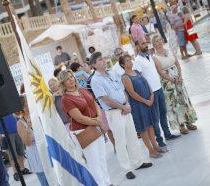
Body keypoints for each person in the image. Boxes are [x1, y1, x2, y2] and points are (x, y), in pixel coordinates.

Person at [90, 52, 152, 180]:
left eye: (103, 58)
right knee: (121, 141)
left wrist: (127, 104)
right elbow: (106, 100)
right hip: (114, 112)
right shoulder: (95, 80)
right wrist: (122, 107)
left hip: (126, 108)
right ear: (94, 65)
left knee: (132, 137)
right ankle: (127, 169)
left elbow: (122, 90)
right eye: (100, 60)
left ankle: (138, 162)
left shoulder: (111, 73)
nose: (103, 61)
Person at [59, 70, 113, 186]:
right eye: (67, 79)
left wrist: (99, 117)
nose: (71, 79)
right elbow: (80, 118)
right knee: (94, 163)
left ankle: (107, 183)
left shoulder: (82, 90)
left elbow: (94, 103)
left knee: (102, 158)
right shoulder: (65, 99)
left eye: (71, 76)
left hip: (95, 126)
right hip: (84, 131)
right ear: (63, 83)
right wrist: (97, 122)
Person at [133, 38, 180, 149]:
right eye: (142, 43)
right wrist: (148, 92)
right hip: (151, 92)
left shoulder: (150, 56)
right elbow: (139, 79)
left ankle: (167, 134)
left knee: (163, 112)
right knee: (155, 117)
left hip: (159, 89)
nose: (145, 45)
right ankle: (159, 139)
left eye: (145, 43)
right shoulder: (137, 61)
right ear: (137, 47)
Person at [119, 55, 164, 158]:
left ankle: (156, 146)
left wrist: (152, 94)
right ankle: (151, 151)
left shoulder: (137, 72)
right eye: (127, 60)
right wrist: (145, 101)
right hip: (138, 105)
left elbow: (146, 83)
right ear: (122, 64)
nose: (130, 61)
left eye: (130, 59)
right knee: (143, 128)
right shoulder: (125, 77)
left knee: (150, 125)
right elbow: (132, 93)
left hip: (148, 101)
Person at [152, 35, 198, 133]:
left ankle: (189, 122)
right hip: (168, 82)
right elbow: (160, 72)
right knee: (174, 103)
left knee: (183, 99)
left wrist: (180, 75)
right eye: (156, 41)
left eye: (160, 40)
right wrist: (171, 79)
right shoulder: (155, 57)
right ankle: (181, 125)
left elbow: (177, 63)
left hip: (178, 78)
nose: (159, 42)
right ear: (154, 44)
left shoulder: (169, 50)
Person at [17, 96, 49, 186]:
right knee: (45, 182)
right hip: (36, 154)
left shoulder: (38, 114)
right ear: (23, 106)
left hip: (47, 149)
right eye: (28, 101)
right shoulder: (20, 123)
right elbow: (27, 143)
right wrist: (28, 126)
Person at [0, 114, 31, 181]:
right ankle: (16, 173)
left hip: (17, 129)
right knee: (12, 154)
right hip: (7, 133)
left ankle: (22, 169)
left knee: (21, 151)